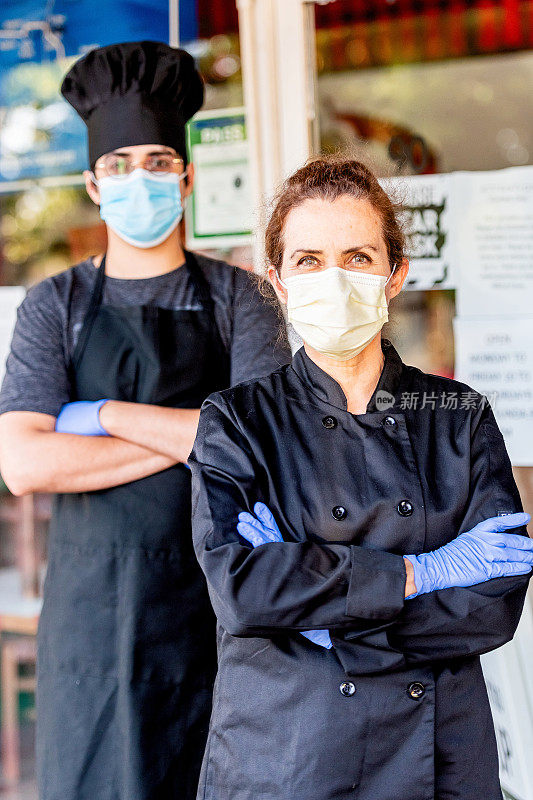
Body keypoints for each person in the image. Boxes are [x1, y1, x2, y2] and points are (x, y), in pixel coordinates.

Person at [188, 156, 533, 800]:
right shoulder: (236, 423)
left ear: (395, 274)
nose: (334, 279)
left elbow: (492, 604)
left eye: (359, 257)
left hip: (434, 759)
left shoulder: (459, 416)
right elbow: (242, 593)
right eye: (309, 260)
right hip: (285, 755)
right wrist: (421, 572)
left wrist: (317, 613)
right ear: (278, 280)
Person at [0, 41, 290, 800]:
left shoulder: (242, 300)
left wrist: (101, 416)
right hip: (90, 630)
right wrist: (195, 437)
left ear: (186, 178)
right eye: (120, 166)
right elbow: (26, 464)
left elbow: (262, 448)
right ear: (94, 185)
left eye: (158, 163)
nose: (141, 181)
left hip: (218, 609)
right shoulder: (53, 306)